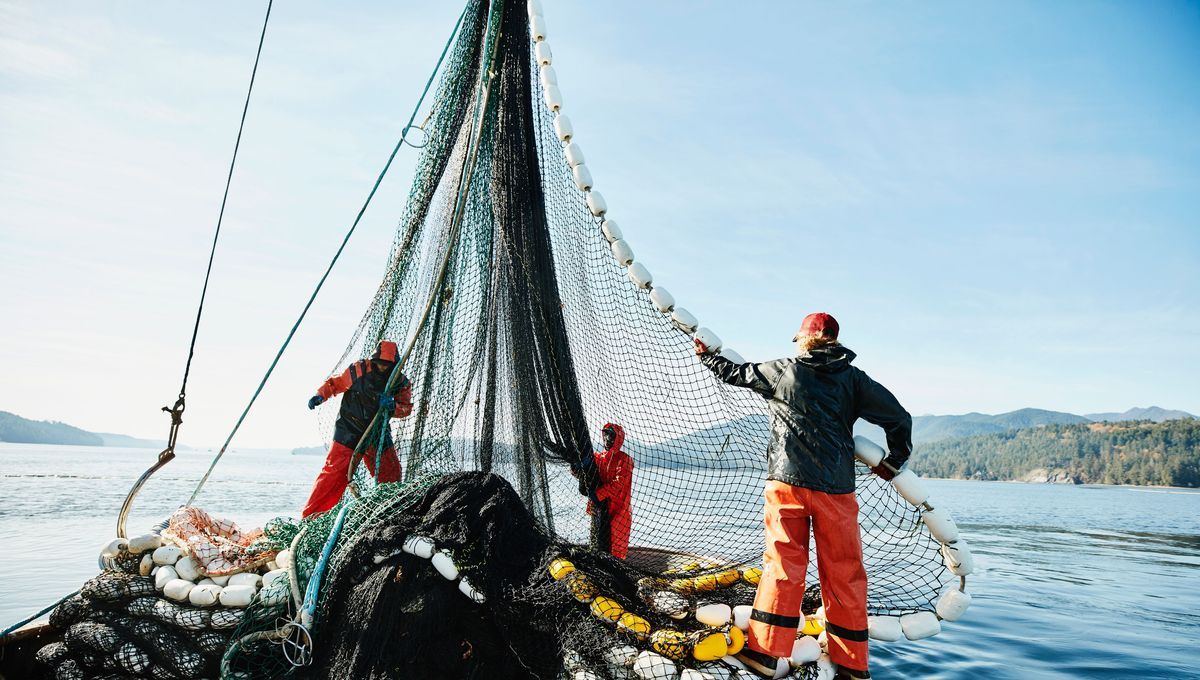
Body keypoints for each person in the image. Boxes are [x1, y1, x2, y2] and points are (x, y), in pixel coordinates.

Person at [695, 313, 911, 680]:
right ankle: (853, 665)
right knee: (845, 573)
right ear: (835, 342)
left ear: (802, 340)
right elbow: (899, 418)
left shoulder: (784, 371)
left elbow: (737, 373)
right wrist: (894, 461)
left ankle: (766, 652)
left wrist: (707, 357)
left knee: (783, 567)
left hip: (787, 485)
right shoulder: (855, 381)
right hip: (837, 491)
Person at [301, 340, 414, 518]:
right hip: (349, 429)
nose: (382, 367)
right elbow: (335, 383)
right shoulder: (358, 370)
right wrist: (319, 395)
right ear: (373, 359)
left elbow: (406, 408)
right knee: (334, 473)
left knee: (391, 472)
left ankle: (387, 514)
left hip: (377, 432)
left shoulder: (400, 381)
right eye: (379, 363)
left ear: (394, 364)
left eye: (387, 365)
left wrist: (393, 406)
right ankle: (312, 517)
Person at [587, 423, 634, 559]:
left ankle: (615, 574)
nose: (608, 439)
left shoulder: (624, 460)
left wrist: (598, 495)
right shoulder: (598, 457)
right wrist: (576, 467)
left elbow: (619, 484)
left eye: (612, 436)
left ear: (618, 439)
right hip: (600, 509)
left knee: (616, 547)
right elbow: (585, 473)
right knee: (598, 543)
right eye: (606, 435)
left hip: (619, 511)